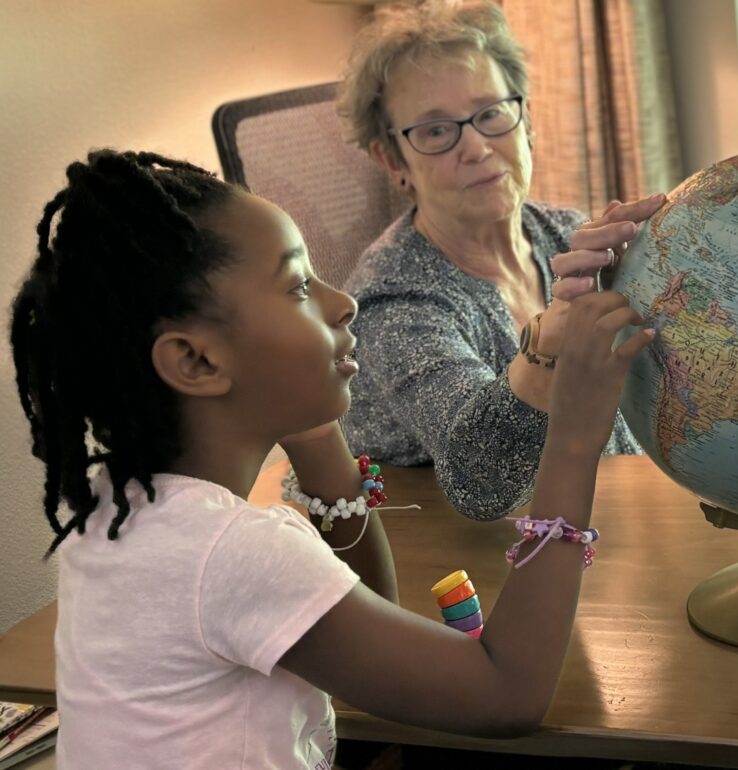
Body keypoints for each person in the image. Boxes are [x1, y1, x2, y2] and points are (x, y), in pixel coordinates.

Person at [8, 149, 653, 768]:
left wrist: (314, 430)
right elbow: (506, 694)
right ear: (197, 362)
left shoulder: (118, 507)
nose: (341, 301)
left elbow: (369, 611)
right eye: (296, 287)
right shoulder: (233, 552)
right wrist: (572, 438)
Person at [336, 0, 666, 519]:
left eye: (490, 114)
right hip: (465, 566)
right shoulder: (392, 302)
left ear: (525, 120)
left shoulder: (562, 233)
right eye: (437, 131)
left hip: (599, 521)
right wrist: (548, 349)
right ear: (393, 159)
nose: (475, 147)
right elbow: (482, 483)